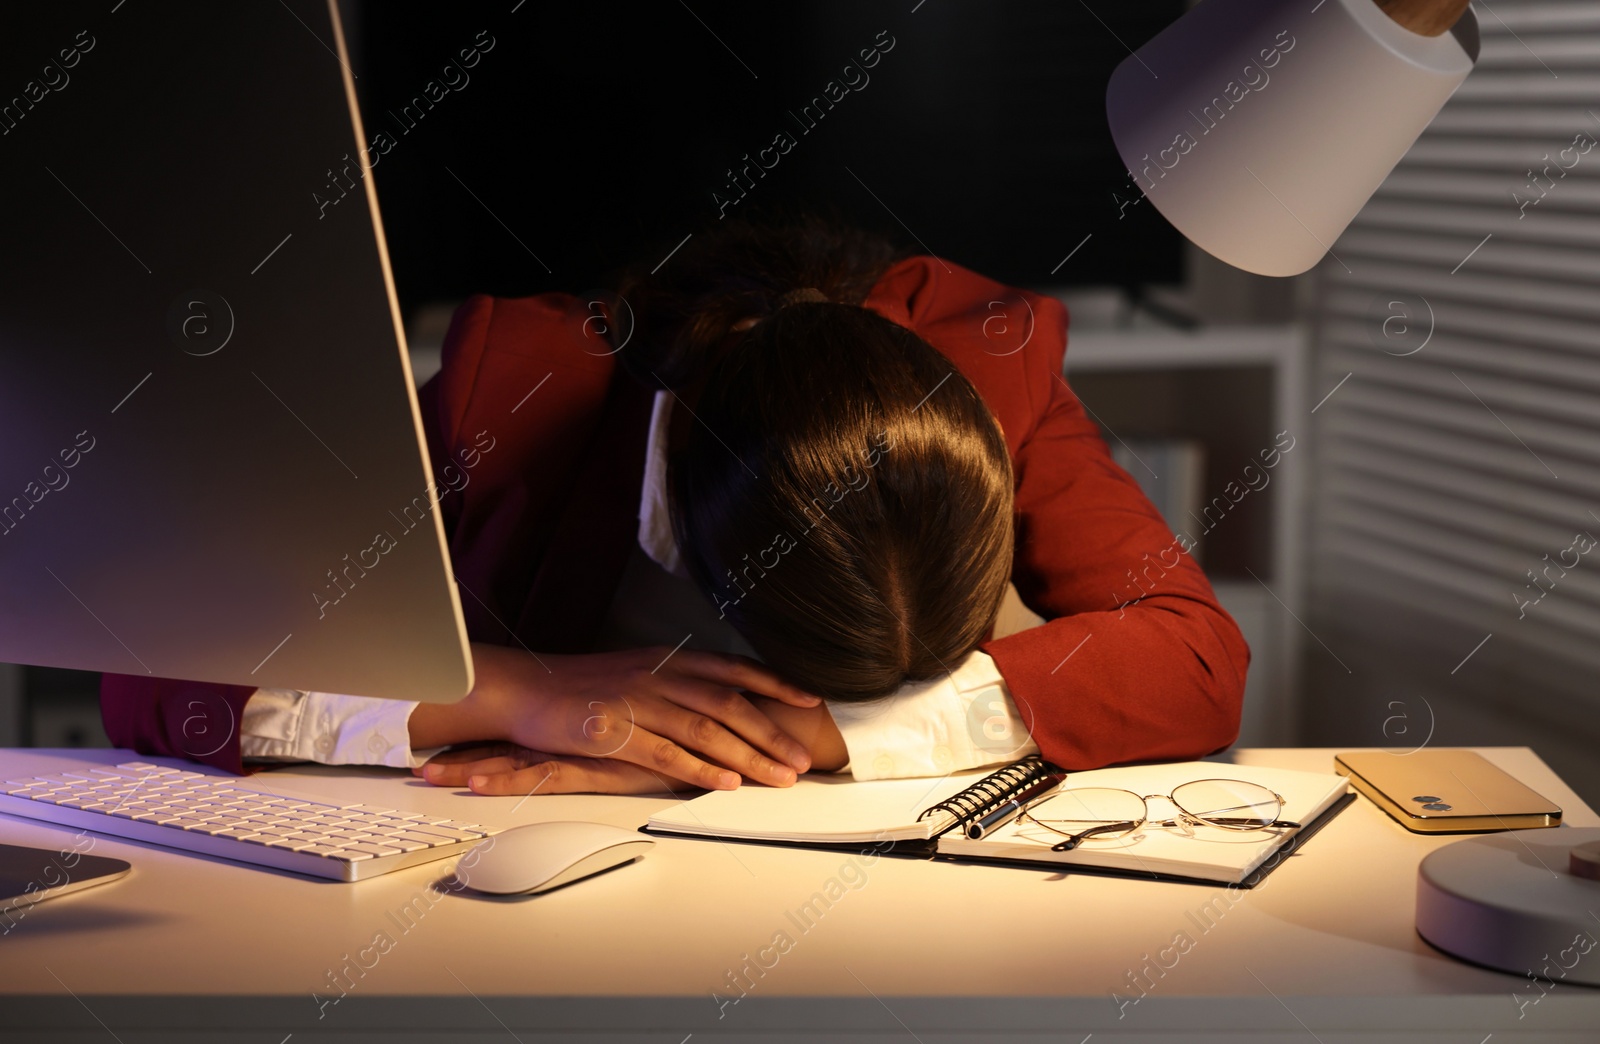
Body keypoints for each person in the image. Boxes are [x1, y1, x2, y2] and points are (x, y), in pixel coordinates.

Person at [99, 216, 1249, 795]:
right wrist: (515, 692)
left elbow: (1196, 661)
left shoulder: (988, 371)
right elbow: (151, 672)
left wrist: (827, 735)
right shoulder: (516, 397)